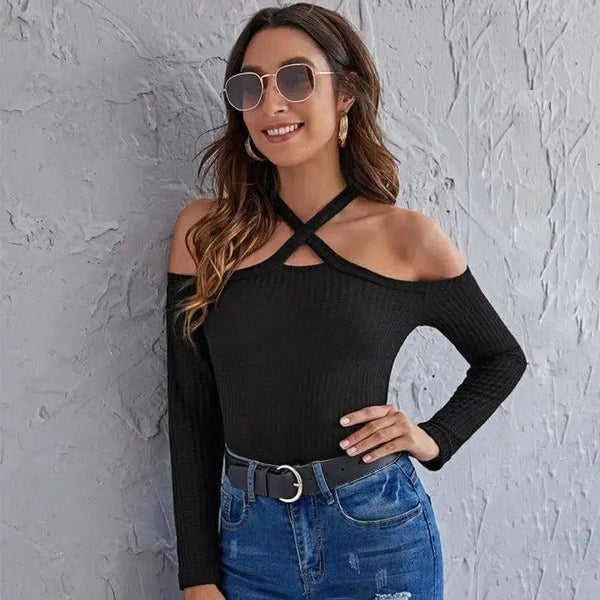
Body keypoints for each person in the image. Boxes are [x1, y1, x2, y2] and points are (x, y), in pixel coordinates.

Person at [166, 3, 528, 599]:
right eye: (250, 86)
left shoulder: (405, 238)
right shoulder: (206, 234)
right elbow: (190, 409)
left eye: (295, 78)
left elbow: (501, 358)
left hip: (378, 535)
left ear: (346, 95)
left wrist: (433, 436)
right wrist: (198, 576)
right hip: (249, 543)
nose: (271, 103)